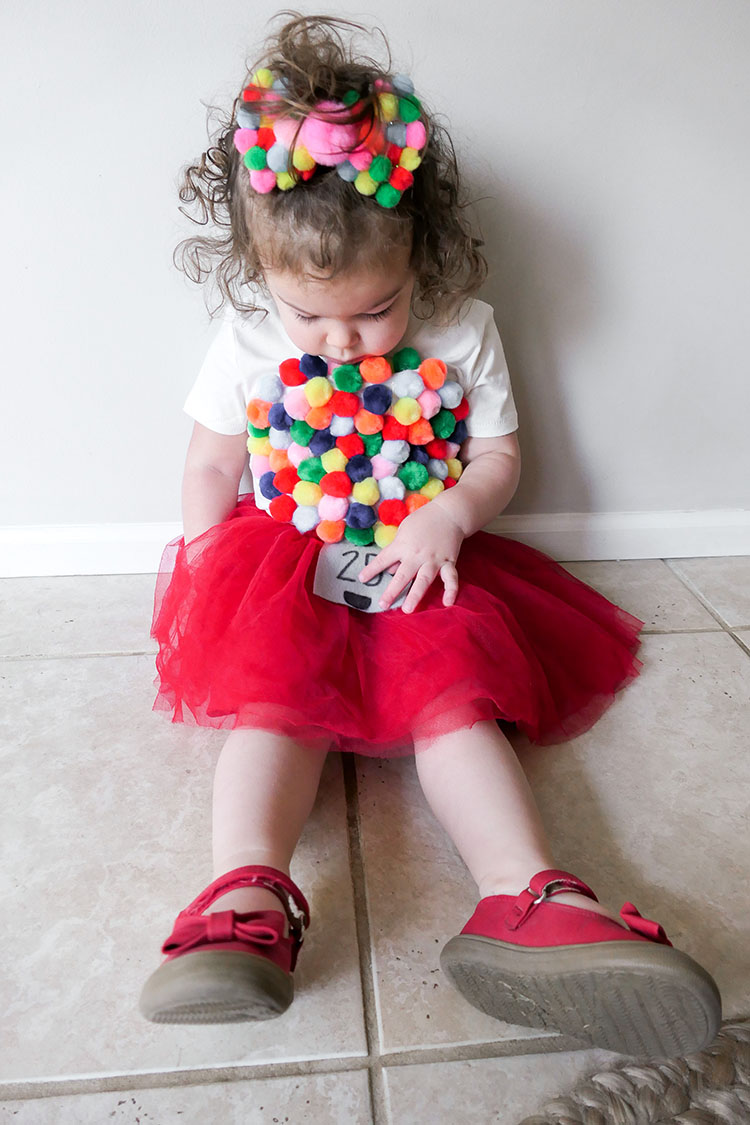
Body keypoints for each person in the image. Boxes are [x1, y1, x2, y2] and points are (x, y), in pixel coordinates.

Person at [139, 14, 721, 1056]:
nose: (340, 340)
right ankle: (245, 897)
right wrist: (217, 569)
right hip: (288, 562)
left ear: (424, 257)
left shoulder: (463, 329)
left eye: (374, 312)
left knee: (455, 709)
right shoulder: (243, 342)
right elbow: (210, 466)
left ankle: (529, 898)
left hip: (424, 554)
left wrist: (450, 515)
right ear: (259, 275)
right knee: (276, 710)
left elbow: (498, 458)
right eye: (307, 316)